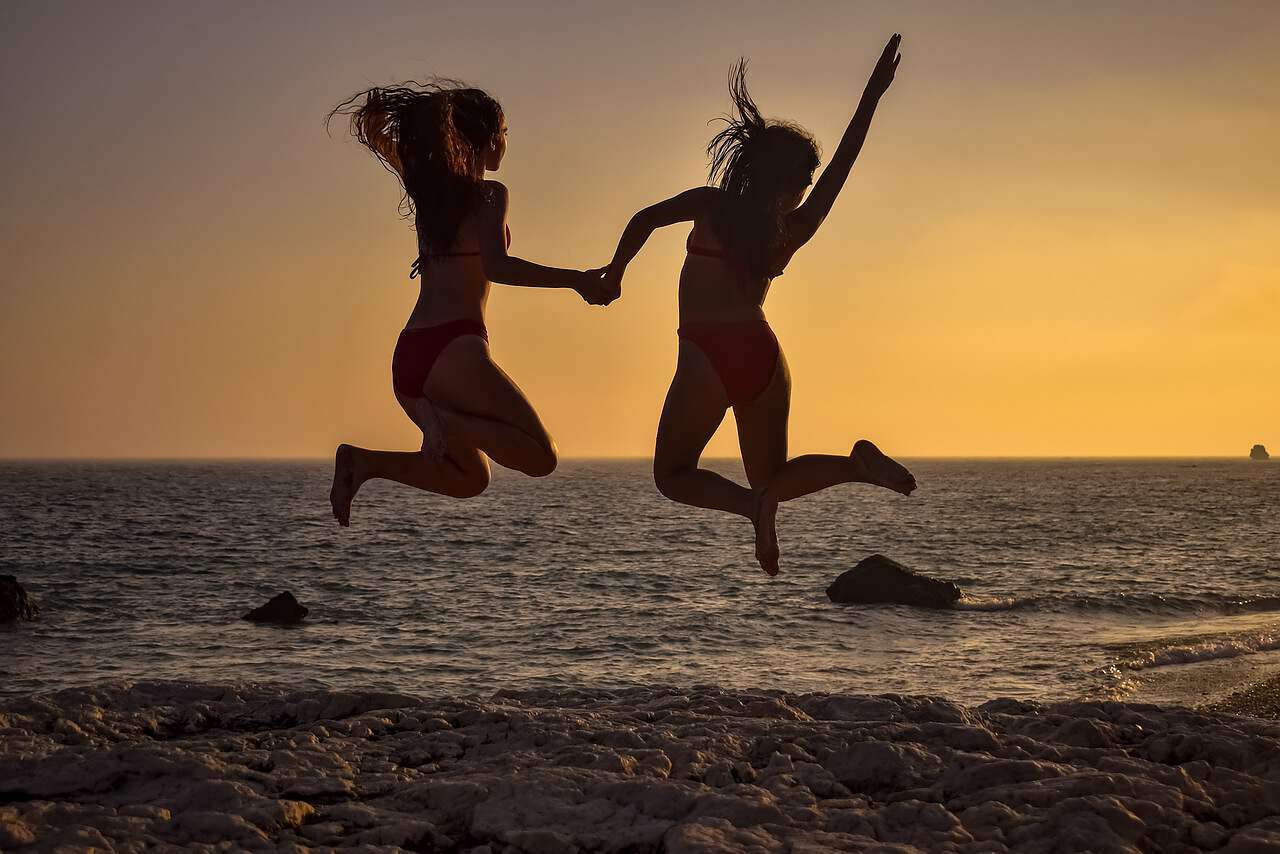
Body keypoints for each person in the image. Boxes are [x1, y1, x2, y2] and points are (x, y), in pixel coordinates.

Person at [601, 35, 915, 575]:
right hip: (761, 355)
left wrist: (615, 271)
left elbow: (644, 218)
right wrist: (872, 97)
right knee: (773, 474)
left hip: (705, 354)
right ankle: (853, 467)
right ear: (787, 183)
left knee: (672, 474)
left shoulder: (711, 205)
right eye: (804, 182)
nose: (808, 189)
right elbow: (844, 165)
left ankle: (751, 507)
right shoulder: (793, 228)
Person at [327, 80, 611, 526]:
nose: (507, 141)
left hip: (411, 358)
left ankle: (364, 462)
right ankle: (444, 421)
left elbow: (383, 143)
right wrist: (575, 280)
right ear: (488, 139)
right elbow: (497, 266)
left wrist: (377, 120)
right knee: (541, 455)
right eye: (505, 132)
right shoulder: (487, 196)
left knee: (470, 478)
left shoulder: (429, 192)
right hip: (453, 348)